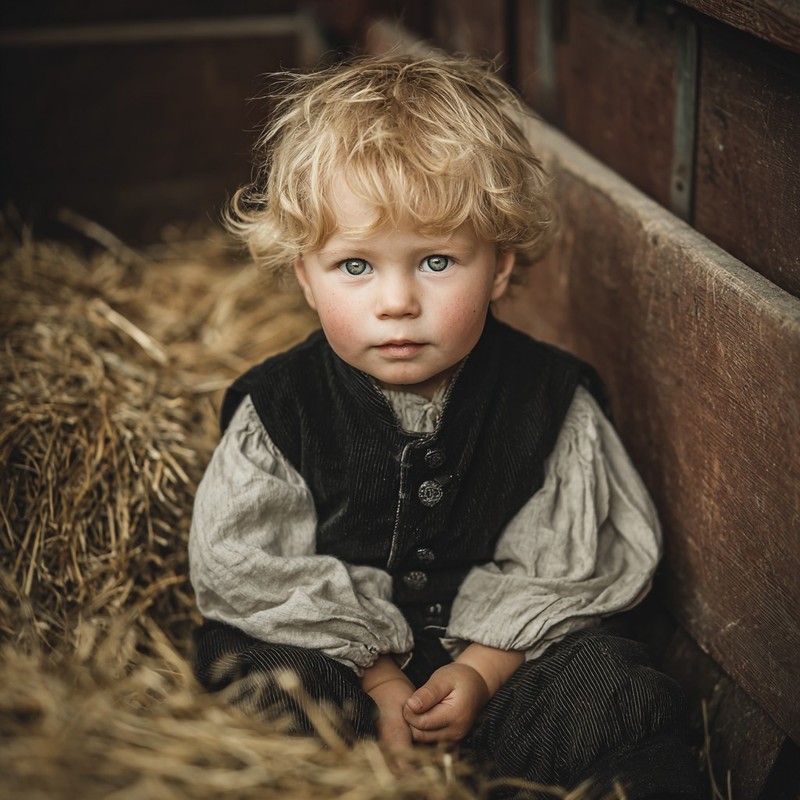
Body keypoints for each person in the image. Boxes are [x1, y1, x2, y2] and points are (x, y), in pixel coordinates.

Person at [188, 53, 701, 799]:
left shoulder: (549, 401)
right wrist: (381, 678)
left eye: (435, 260)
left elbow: (566, 562)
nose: (396, 301)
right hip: (340, 671)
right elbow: (246, 561)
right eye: (355, 266)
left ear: (498, 266)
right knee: (260, 678)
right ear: (304, 273)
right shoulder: (280, 409)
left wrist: (479, 672)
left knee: (612, 685)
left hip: (509, 674)